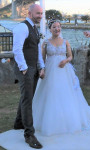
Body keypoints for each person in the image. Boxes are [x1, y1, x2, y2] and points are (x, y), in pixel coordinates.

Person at [32, 19, 90, 136]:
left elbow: (70, 56)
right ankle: (51, 120)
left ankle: (67, 119)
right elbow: (42, 59)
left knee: (65, 94)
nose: (57, 29)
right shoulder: (46, 43)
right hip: (50, 72)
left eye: (58, 27)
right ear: (50, 29)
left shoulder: (66, 41)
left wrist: (65, 61)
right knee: (51, 94)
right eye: (54, 27)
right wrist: (41, 70)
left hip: (64, 71)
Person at [13, 4, 45, 149]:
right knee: (27, 100)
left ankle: (18, 123)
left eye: (41, 13)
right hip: (26, 69)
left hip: (33, 68)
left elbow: (37, 49)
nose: (40, 16)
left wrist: (41, 66)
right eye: (38, 13)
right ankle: (29, 135)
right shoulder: (22, 27)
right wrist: (24, 69)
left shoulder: (34, 28)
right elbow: (17, 49)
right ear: (29, 12)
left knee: (27, 97)